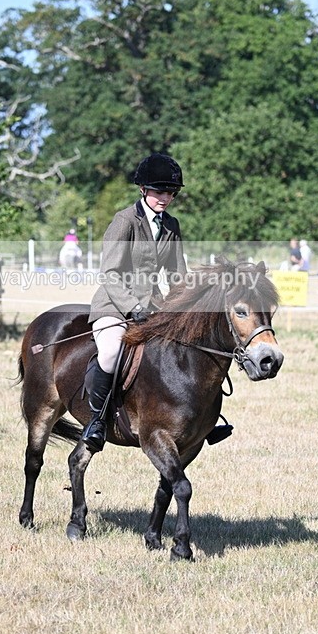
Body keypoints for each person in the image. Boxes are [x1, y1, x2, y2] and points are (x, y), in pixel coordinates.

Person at [81, 153, 187, 452]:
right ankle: (97, 420)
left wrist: (183, 308)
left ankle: (200, 417)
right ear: (143, 189)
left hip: (153, 307)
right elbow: (109, 273)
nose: (164, 198)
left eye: (170, 192)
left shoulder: (171, 225)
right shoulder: (125, 221)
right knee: (112, 351)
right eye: (158, 191)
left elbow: (177, 274)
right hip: (115, 305)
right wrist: (133, 307)